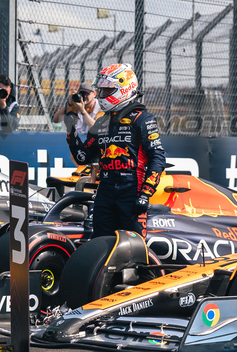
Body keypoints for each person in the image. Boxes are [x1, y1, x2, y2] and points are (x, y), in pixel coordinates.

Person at [67, 63, 166, 237]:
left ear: (123, 89)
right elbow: (82, 157)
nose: (102, 95)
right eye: (101, 91)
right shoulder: (102, 122)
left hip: (132, 192)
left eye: (106, 90)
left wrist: (145, 194)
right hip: (105, 190)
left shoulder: (143, 119)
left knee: (133, 247)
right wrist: (71, 132)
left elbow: (157, 158)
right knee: (100, 243)